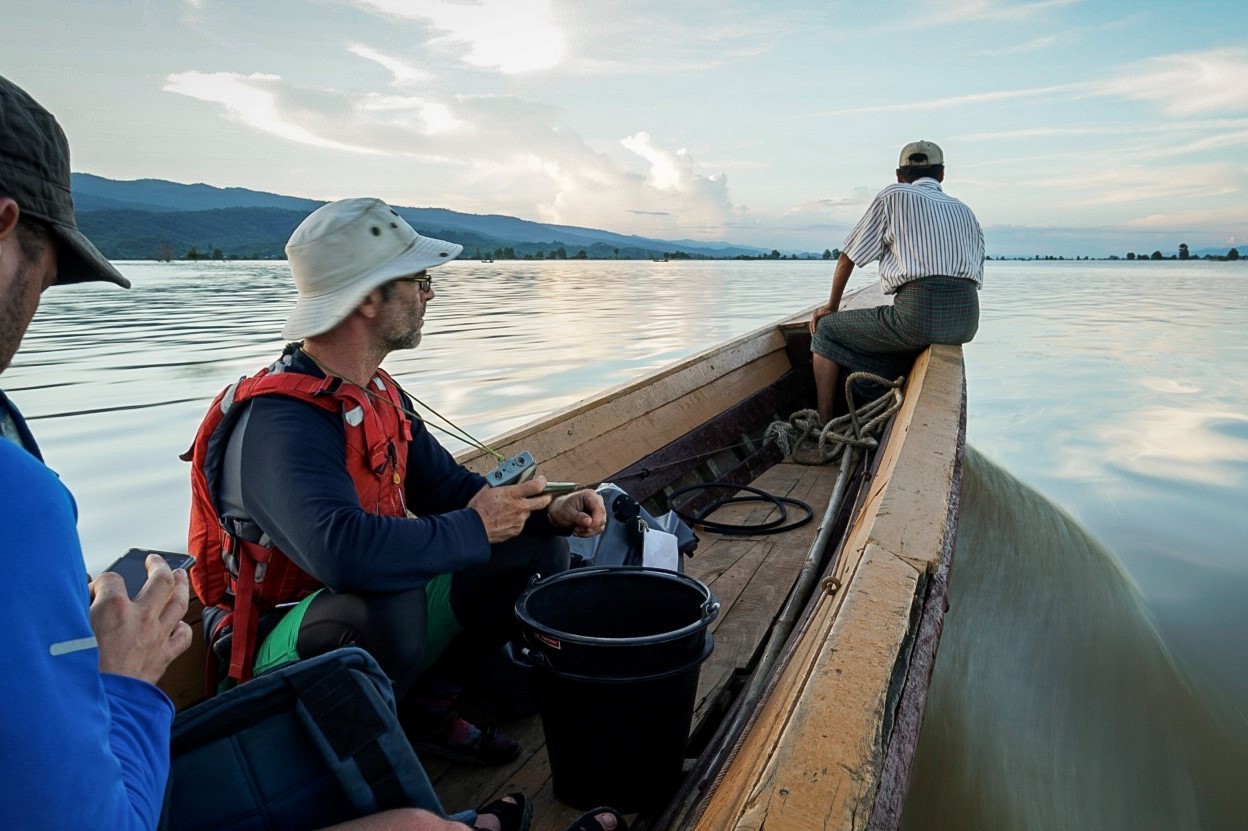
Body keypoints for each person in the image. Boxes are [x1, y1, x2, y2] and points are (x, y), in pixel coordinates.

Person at [185, 197, 608, 767]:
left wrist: (545, 510)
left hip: (363, 603)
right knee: (388, 600)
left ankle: (425, 711)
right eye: (420, 279)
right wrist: (478, 525)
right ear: (367, 298)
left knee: (532, 546)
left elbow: (451, 492)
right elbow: (342, 553)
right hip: (274, 636)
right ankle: (364, 764)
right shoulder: (280, 422)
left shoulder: (378, 393)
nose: (430, 294)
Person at [810, 139, 984, 422]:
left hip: (917, 316)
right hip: (966, 322)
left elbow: (847, 258)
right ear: (942, 174)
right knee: (908, 332)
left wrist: (831, 307)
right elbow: (973, 275)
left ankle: (823, 423)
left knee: (827, 330)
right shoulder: (966, 211)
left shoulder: (894, 195)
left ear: (899, 176)